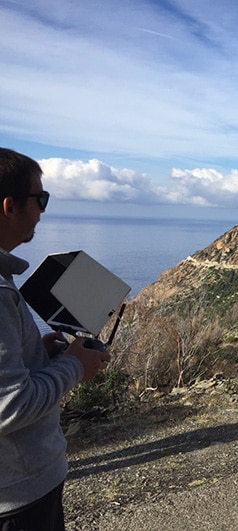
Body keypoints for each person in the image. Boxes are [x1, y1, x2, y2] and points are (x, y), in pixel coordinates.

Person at [0, 147, 111, 530]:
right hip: (19, 495)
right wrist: (74, 367)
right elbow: (8, 407)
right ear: (9, 206)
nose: (43, 210)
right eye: (40, 198)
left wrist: (35, 355)